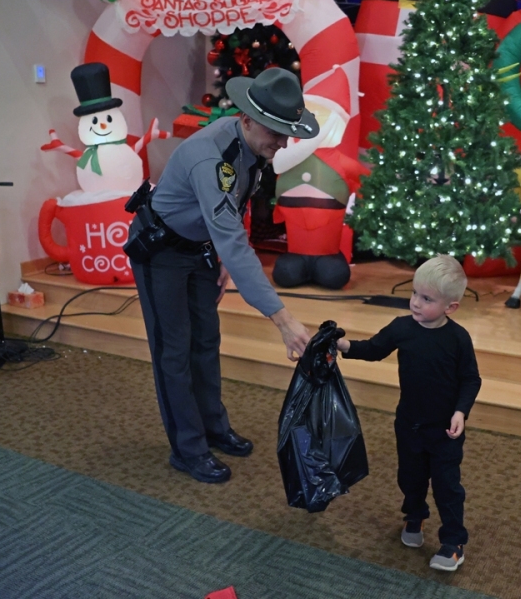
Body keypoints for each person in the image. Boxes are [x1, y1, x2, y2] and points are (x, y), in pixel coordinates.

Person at [127, 69, 318, 484]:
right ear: (247, 119)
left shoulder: (253, 146)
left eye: (287, 134)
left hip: (199, 246)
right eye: (276, 132)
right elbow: (230, 230)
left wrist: (225, 255)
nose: (283, 143)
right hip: (161, 251)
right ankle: (189, 449)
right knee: (174, 350)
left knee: (206, 340)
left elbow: (236, 207)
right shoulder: (210, 157)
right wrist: (283, 321)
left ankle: (214, 427)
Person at [336, 255, 481, 572]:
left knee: (447, 487)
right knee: (410, 478)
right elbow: (373, 349)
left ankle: (453, 542)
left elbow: (471, 379)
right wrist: (343, 345)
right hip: (409, 424)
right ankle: (414, 516)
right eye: (414, 293)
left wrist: (461, 411)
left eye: (427, 299)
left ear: (450, 307)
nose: (415, 302)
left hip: (444, 432)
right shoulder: (402, 327)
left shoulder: (458, 338)